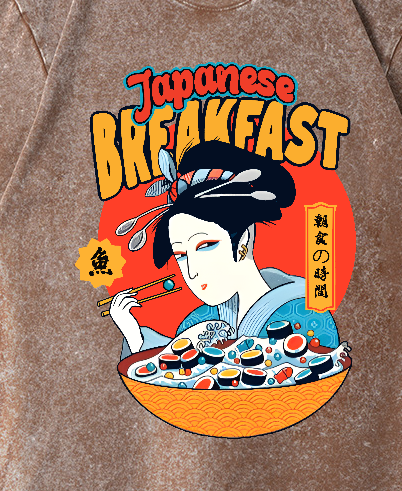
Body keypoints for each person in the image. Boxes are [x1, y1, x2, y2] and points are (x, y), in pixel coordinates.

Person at [108, 140, 340, 361]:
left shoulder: (306, 314)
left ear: (243, 240)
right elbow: (172, 367)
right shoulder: (199, 320)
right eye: (181, 255)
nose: (191, 272)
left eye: (205, 245)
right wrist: (134, 336)